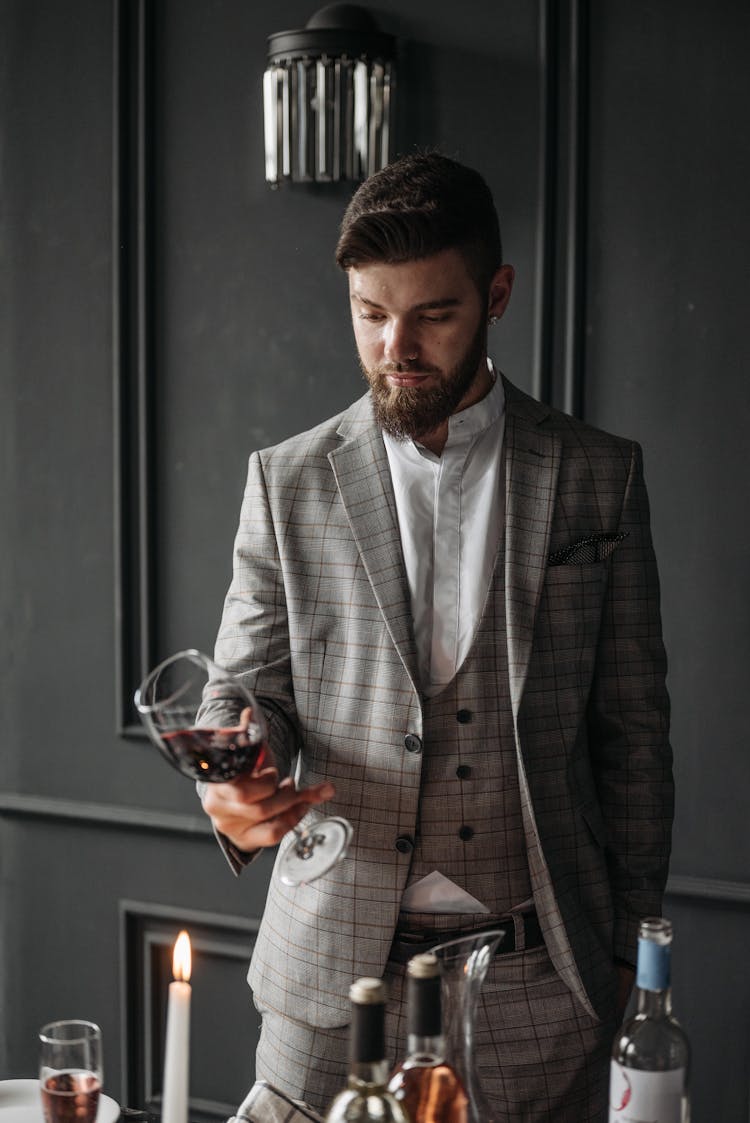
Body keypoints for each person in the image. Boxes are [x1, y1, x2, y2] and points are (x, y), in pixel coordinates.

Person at [200, 151, 673, 1121]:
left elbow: (634, 734)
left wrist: (627, 948)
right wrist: (231, 770)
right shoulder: (287, 480)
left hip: (545, 980)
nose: (395, 347)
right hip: (335, 975)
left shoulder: (598, 477)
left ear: (496, 295)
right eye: (371, 313)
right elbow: (249, 685)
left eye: (432, 315)